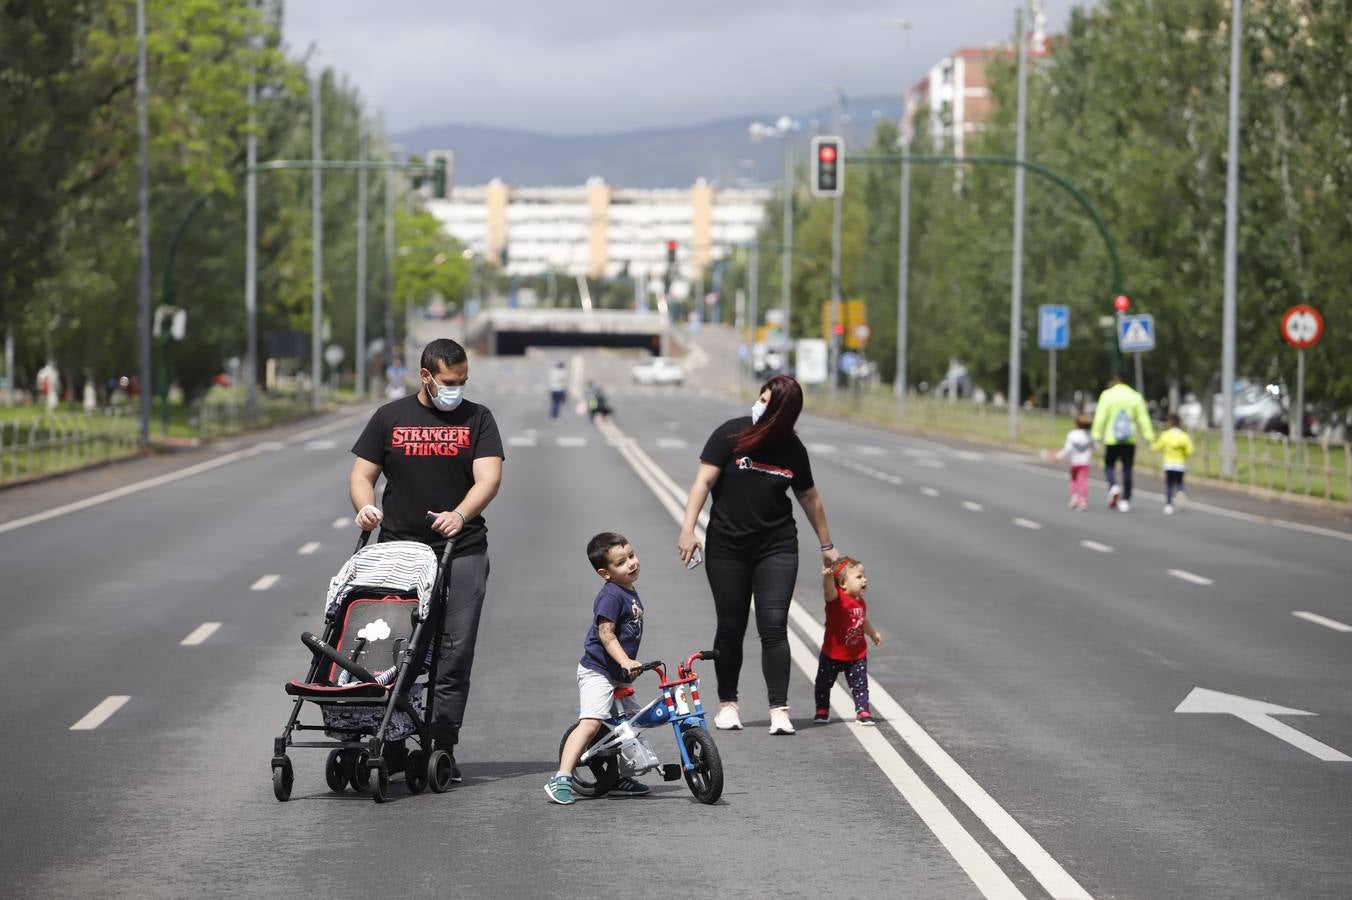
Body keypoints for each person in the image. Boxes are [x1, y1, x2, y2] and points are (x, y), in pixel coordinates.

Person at [349, 338, 504, 783]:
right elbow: (362, 474)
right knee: (394, 649)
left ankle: (440, 746)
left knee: (454, 653)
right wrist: (364, 505)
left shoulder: (479, 419)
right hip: (399, 552)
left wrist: (460, 514)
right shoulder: (390, 418)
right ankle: (391, 740)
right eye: (449, 382)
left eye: (463, 382)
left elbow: (489, 478)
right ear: (426, 377)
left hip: (463, 551)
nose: (456, 389)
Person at [677, 375, 840, 736]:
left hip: (776, 547)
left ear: (786, 413)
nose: (760, 406)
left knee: (773, 625)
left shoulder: (792, 449)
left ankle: (779, 710)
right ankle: (728, 705)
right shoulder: (730, 435)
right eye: (760, 398)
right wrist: (689, 529)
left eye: (769, 402)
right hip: (727, 547)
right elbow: (702, 482)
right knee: (731, 626)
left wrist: (827, 546)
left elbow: (809, 498)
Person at [545, 532, 653, 805]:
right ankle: (562, 777)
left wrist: (626, 666)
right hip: (598, 671)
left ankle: (616, 777)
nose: (631, 563)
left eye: (631, 555)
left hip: (618, 672)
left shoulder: (627, 588)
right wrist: (625, 661)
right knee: (591, 723)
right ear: (605, 573)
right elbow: (607, 635)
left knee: (630, 723)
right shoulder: (611, 596)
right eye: (621, 562)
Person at [813, 557, 882, 726]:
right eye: (858, 577)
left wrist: (872, 633)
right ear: (843, 584)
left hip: (856, 654)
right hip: (833, 653)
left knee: (860, 685)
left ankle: (863, 710)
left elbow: (862, 621)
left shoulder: (860, 602)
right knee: (823, 683)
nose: (864, 580)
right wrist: (828, 577)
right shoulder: (836, 599)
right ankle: (822, 709)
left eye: (864, 576)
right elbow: (828, 591)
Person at [1090, 371, 1156, 513]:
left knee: (1108, 465)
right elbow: (1143, 418)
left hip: (1111, 439)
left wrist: (1096, 435)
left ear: (1116, 379)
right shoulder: (1135, 396)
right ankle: (1125, 499)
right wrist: (1149, 436)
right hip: (1129, 439)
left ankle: (1113, 486)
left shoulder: (1107, 395)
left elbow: (1101, 416)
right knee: (1127, 469)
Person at [1151, 413, 1195, 514]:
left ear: (1169, 423)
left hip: (1168, 464)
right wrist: (1183, 454)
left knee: (1169, 484)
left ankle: (1168, 505)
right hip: (1180, 464)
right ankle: (1180, 493)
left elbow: (1157, 447)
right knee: (1179, 483)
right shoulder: (1184, 436)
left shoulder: (1165, 435)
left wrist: (1151, 445)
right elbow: (1190, 450)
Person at [1051, 413, 1095, 511]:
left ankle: (1074, 498)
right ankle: (1083, 500)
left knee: (1074, 480)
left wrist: (1057, 456)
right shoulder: (1089, 435)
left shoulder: (1072, 435)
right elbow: (1095, 446)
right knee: (1083, 481)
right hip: (1084, 462)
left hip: (1074, 462)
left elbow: (1067, 449)